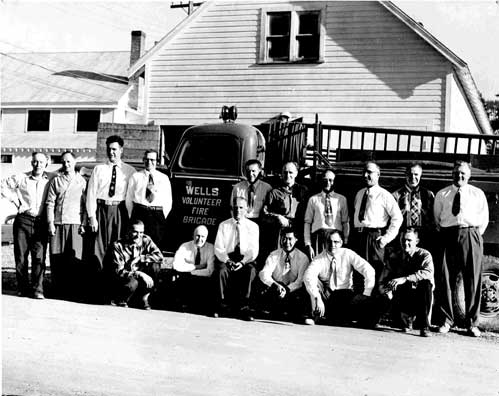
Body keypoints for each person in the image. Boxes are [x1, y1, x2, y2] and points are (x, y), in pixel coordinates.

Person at [434, 161, 489, 337]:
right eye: (457, 173)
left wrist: (472, 235)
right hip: (448, 235)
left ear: (469, 175)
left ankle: (472, 323)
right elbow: (437, 218)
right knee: (446, 278)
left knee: (472, 279)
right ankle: (446, 320)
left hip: (470, 235)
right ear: (452, 174)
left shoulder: (477, 194)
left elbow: (484, 219)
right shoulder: (443, 194)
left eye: (463, 173)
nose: (460, 176)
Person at [86, 135, 135, 302]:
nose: (111, 152)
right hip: (101, 210)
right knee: (98, 252)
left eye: (114, 149)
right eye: (109, 149)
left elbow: (132, 196)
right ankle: (99, 294)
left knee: (117, 252)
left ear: (121, 150)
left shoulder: (130, 171)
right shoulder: (99, 169)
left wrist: (129, 219)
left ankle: (116, 294)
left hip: (119, 212)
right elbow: (91, 195)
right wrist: (92, 217)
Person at [1, 152, 54, 299]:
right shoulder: (22, 177)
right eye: (35, 162)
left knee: (39, 256)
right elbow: (2, 185)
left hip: (41, 222)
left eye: (41, 162)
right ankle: (23, 289)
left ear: (46, 164)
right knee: (21, 257)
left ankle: (38, 289)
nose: (38, 165)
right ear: (31, 163)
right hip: (23, 220)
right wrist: (15, 201)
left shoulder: (51, 178)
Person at [303, 229, 378, 327]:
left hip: (345, 295)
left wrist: (366, 293)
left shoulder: (348, 253)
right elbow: (308, 276)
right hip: (327, 296)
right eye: (329, 241)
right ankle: (315, 315)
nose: (332, 245)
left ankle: (343, 318)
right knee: (313, 282)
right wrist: (317, 297)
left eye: (336, 242)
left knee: (374, 303)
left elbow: (368, 269)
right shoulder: (319, 258)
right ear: (325, 243)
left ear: (341, 242)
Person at [352, 161, 402, 286]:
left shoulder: (384, 195)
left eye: (369, 172)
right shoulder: (359, 193)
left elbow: (398, 217)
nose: (365, 175)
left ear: (378, 174)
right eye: (364, 172)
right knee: (359, 274)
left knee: (375, 273)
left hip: (374, 239)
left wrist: (386, 238)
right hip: (359, 238)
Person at [45, 152, 87, 300]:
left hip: (75, 223)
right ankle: (57, 290)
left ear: (75, 162)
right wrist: (50, 223)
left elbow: (86, 205)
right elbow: (50, 204)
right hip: (58, 223)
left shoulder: (82, 181)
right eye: (63, 162)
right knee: (57, 259)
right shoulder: (56, 181)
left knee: (75, 259)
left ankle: (73, 292)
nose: (66, 165)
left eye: (69, 162)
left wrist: (84, 224)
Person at [378, 228, 434, 337]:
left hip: (419, 294)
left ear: (416, 241)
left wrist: (406, 278)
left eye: (409, 240)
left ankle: (424, 326)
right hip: (402, 293)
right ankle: (404, 319)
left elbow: (428, 273)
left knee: (425, 284)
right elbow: (383, 278)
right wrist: (385, 291)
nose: (405, 243)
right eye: (403, 240)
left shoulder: (424, 255)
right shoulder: (395, 256)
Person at [213, 197, 259, 321]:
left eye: (241, 207)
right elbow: (218, 248)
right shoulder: (223, 225)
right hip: (227, 258)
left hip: (245, 259)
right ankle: (222, 305)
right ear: (231, 209)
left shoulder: (253, 227)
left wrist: (242, 262)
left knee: (250, 271)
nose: (237, 210)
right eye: (235, 207)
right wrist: (227, 260)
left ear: (247, 209)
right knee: (221, 270)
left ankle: (245, 308)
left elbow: (253, 250)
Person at [257, 227, 310, 322]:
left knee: (300, 295)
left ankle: (292, 313)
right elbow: (264, 273)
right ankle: (271, 311)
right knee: (262, 286)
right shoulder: (274, 254)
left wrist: (287, 289)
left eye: (290, 239)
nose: (287, 242)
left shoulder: (303, 257)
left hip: (292, 291)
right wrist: (275, 285)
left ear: (296, 239)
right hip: (276, 289)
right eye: (284, 238)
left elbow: (300, 281)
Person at [109, 219, 163, 310]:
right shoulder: (118, 246)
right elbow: (118, 272)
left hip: (141, 275)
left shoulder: (146, 240)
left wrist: (140, 258)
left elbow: (159, 256)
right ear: (128, 231)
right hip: (127, 277)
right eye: (135, 232)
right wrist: (139, 274)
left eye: (141, 232)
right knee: (132, 284)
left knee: (155, 266)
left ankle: (144, 297)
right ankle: (122, 298)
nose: (139, 236)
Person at [126, 149, 172, 248]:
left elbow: (168, 201)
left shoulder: (163, 178)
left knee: (154, 245)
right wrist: (132, 216)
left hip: (156, 215)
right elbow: (129, 198)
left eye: (152, 160)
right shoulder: (136, 176)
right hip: (140, 212)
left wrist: (161, 215)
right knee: (137, 243)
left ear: (157, 161)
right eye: (146, 159)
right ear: (143, 160)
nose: (149, 162)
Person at [263, 162, 308, 254]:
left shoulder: (303, 191)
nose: (288, 175)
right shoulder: (274, 192)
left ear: (296, 173)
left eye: (291, 172)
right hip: (281, 231)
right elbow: (265, 213)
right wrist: (277, 216)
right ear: (282, 174)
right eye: (285, 172)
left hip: (299, 230)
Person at [304, 169, 349, 260]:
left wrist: (345, 240)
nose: (328, 183)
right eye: (325, 180)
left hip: (336, 239)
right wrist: (308, 244)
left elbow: (345, 222)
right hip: (319, 239)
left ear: (334, 181)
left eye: (330, 180)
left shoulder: (342, 199)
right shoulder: (313, 199)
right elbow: (307, 222)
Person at [392, 163, 435, 249]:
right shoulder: (396, 195)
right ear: (405, 175)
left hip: (423, 235)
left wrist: (422, 210)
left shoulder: (428, 194)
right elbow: (392, 219)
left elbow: (433, 218)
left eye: (416, 174)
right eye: (410, 174)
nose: (413, 177)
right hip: (403, 236)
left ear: (420, 175)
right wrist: (404, 210)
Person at [172, 225, 215, 312]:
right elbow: (176, 265)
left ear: (206, 237)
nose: (200, 239)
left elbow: (210, 271)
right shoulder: (184, 246)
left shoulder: (211, 248)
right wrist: (196, 267)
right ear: (193, 235)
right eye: (197, 235)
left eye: (203, 236)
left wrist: (191, 271)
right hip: (187, 278)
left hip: (202, 279)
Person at [231, 159, 272, 224]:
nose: (250, 174)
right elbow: (232, 208)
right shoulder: (237, 187)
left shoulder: (267, 188)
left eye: (253, 171)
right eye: (248, 171)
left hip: (259, 221)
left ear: (259, 171)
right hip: (242, 220)